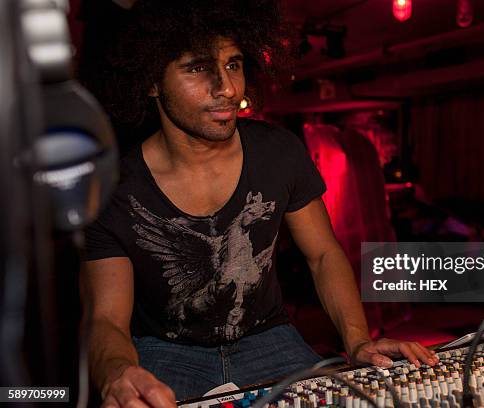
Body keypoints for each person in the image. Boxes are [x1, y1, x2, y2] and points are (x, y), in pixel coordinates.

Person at [80, 1, 438, 407]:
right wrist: (117, 372)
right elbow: (105, 318)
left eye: (233, 64)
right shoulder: (114, 187)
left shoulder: (279, 153)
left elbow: (322, 254)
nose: (229, 89)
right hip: (166, 351)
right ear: (152, 82)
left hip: (270, 339)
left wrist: (358, 341)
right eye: (198, 68)